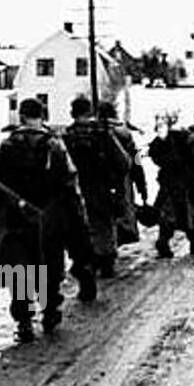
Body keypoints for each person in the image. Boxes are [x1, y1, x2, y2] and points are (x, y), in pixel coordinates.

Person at [0, 97, 90, 342]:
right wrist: (76, 221)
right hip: (50, 218)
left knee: (20, 270)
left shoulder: (8, 145)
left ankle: (23, 322)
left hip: (16, 219)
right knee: (50, 265)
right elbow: (70, 185)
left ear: (21, 117)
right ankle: (50, 310)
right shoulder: (55, 145)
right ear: (43, 116)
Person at [62, 96, 124, 278]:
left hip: (75, 192)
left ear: (72, 113)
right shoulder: (103, 134)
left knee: (79, 228)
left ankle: (84, 262)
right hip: (102, 190)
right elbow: (123, 162)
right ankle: (105, 260)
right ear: (90, 112)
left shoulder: (66, 137)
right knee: (104, 226)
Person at [150, 109, 194, 257]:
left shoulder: (179, 136)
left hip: (171, 182)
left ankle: (163, 243)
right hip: (191, 184)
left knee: (170, 215)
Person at [97, 100, 146, 247]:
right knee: (122, 213)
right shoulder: (126, 133)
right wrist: (142, 186)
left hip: (100, 181)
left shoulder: (95, 132)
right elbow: (137, 161)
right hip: (123, 180)